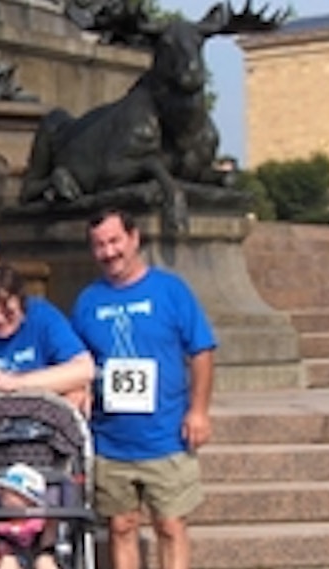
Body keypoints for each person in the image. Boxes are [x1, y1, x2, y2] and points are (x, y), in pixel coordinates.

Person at [71, 210, 217, 569]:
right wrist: (80, 389)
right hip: (111, 438)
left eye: (115, 241)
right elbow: (76, 362)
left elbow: (201, 351)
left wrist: (198, 410)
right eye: (99, 246)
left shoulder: (171, 290)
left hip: (165, 434)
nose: (108, 252)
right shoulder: (87, 301)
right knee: (121, 526)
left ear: (134, 238)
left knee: (170, 525)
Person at [0, 265, 94, 412]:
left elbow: (85, 369)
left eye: (8, 312)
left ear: (22, 305)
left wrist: (14, 384)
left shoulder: (42, 316)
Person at [0, 463, 58, 569]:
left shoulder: (40, 519)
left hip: (37, 553)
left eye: (12, 493)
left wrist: (48, 543)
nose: (4, 494)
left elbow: (49, 542)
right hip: (6, 555)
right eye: (4, 490)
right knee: (8, 562)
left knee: (45, 562)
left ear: (29, 500)